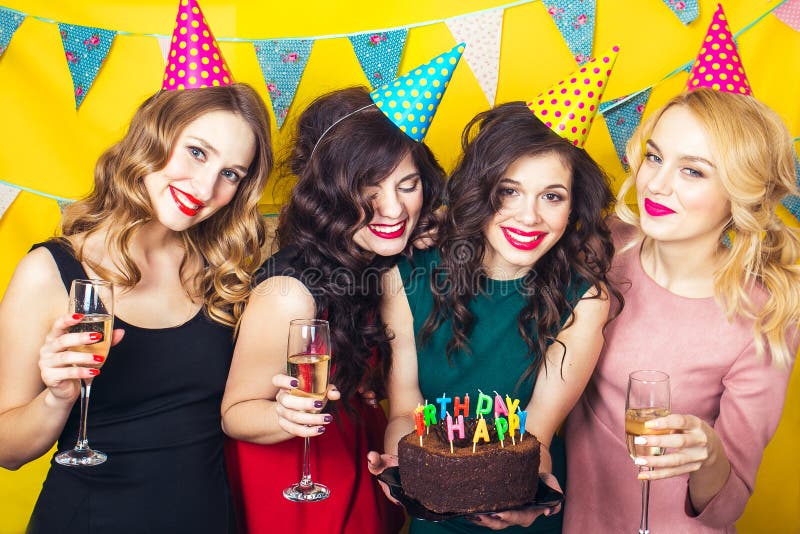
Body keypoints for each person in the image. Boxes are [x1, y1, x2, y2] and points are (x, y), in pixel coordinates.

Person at [0, 2, 273, 531]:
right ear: (154, 135)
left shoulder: (221, 269)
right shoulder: (50, 270)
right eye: (197, 152)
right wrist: (58, 396)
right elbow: (8, 450)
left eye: (231, 174)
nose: (206, 189)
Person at [562, 9, 800, 532]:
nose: (656, 184)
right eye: (654, 157)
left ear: (740, 193)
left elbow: (730, 505)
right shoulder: (605, 246)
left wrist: (710, 453)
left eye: (692, 170)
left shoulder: (762, 317)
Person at [370, 45, 624, 532]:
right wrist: (401, 463)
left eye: (552, 196)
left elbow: (538, 430)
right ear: (482, 192)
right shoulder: (409, 274)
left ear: (573, 210)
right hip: (432, 513)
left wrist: (520, 498)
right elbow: (405, 406)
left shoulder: (584, 299)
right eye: (510, 191)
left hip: (529, 508)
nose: (529, 217)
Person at [221, 43, 461, 533]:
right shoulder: (289, 292)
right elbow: (236, 414)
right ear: (330, 194)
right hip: (299, 481)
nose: (392, 210)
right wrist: (285, 414)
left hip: (363, 459)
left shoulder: (379, 256)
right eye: (368, 192)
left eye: (407, 185)